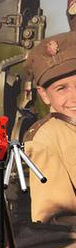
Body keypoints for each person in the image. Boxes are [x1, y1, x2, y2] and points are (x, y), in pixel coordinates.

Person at [24, 31, 76, 223]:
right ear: (44, 95)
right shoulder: (46, 139)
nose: (74, 97)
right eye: (62, 88)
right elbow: (54, 223)